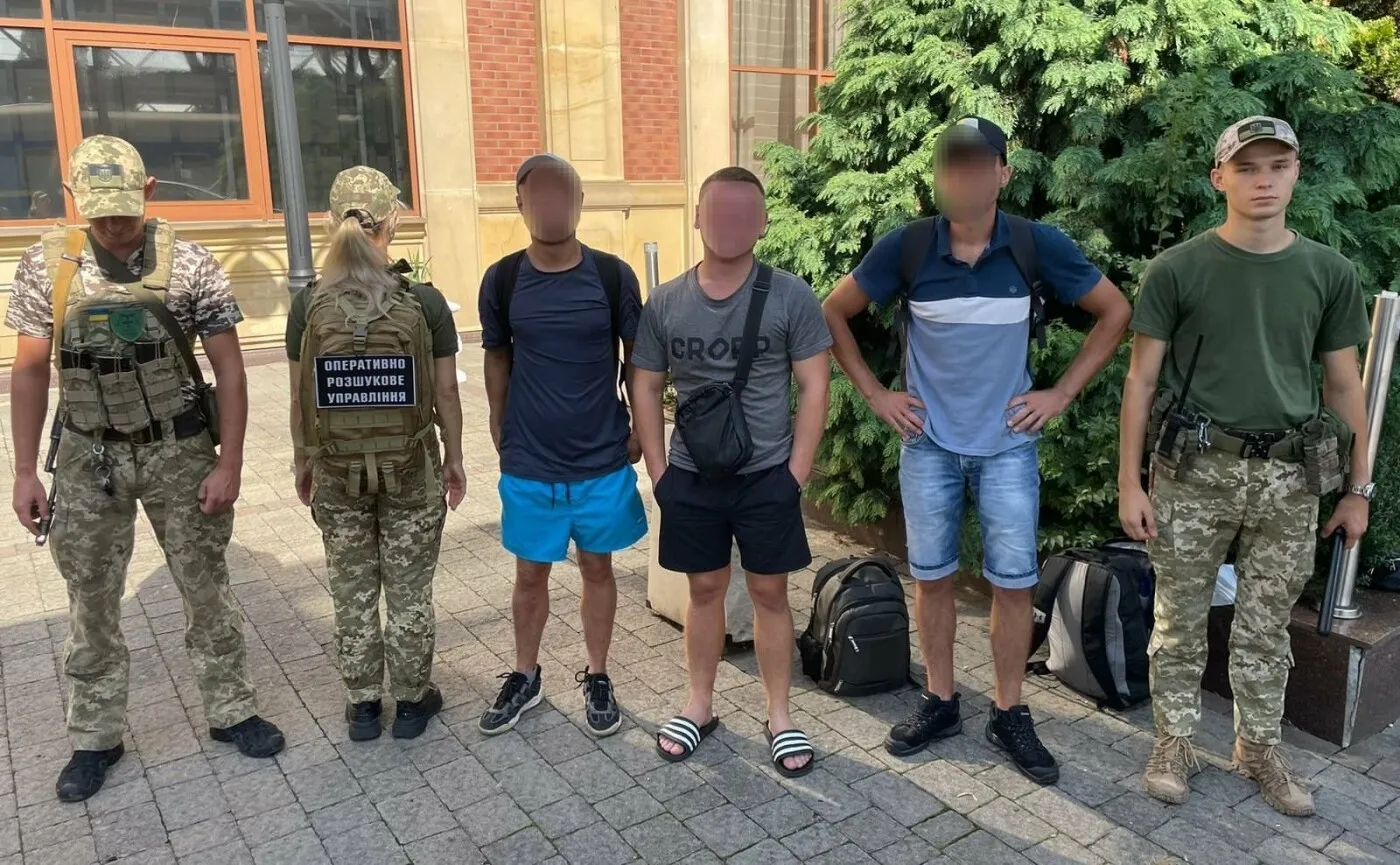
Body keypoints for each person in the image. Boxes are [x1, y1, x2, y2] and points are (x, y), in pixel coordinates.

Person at [823, 117, 1132, 785]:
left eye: (976, 164)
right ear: (937, 176)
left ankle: (1008, 711)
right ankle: (940, 701)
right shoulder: (908, 247)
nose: (962, 176)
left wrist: (1061, 393)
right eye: (951, 164)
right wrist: (875, 393)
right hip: (928, 445)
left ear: (1003, 173)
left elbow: (1115, 311)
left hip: (1009, 449)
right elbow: (832, 311)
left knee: (1014, 586)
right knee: (932, 578)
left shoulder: (1035, 245)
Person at [7, 135, 285, 802]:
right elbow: (29, 370)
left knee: (205, 584)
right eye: (99, 212)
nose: (113, 225)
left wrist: (230, 463)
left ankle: (232, 708)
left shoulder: (189, 261)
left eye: (124, 210)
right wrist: (24, 471)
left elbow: (230, 369)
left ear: (150, 191)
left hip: (177, 449)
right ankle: (95, 734)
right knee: (90, 596)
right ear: (74, 198)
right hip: (88, 454)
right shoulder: (46, 265)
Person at [1119, 116, 1371, 816]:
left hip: (1290, 478)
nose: (1264, 180)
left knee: (1266, 626)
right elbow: (1141, 380)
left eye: (1278, 166)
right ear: (1219, 178)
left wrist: (1358, 488)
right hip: (1194, 471)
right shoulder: (1177, 269)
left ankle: (1258, 746)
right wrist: (1130, 482)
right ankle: (1173, 740)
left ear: (1296, 174)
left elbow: (1344, 386)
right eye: (1248, 167)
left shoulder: (1328, 272)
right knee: (1179, 618)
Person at [633, 166, 832, 776]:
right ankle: (699, 705)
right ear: (697, 217)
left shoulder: (791, 296)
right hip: (692, 476)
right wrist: (660, 473)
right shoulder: (666, 301)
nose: (730, 224)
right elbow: (645, 385)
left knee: (771, 593)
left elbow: (815, 384)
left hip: (767, 474)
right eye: (718, 212)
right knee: (704, 591)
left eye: (745, 214)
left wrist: (796, 473)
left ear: (763, 223)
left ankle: (780, 715)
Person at [287, 166, 465, 741]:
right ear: (394, 222)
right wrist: (455, 458)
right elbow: (446, 393)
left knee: (351, 589)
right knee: (410, 590)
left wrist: (303, 461)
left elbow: (299, 396)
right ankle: (411, 703)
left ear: (327, 222)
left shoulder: (309, 304)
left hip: (336, 469)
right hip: (412, 466)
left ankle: (363, 707)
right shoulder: (425, 302)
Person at [477, 153, 647, 738]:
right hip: (531, 458)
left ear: (578, 202)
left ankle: (597, 674)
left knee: (598, 568)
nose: (551, 206)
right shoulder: (502, 279)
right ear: (520, 204)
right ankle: (525, 675)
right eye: (539, 196)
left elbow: (638, 360)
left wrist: (642, 427)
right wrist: (497, 423)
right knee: (530, 574)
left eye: (562, 194)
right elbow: (496, 358)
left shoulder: (613, 276)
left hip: (601, 456)